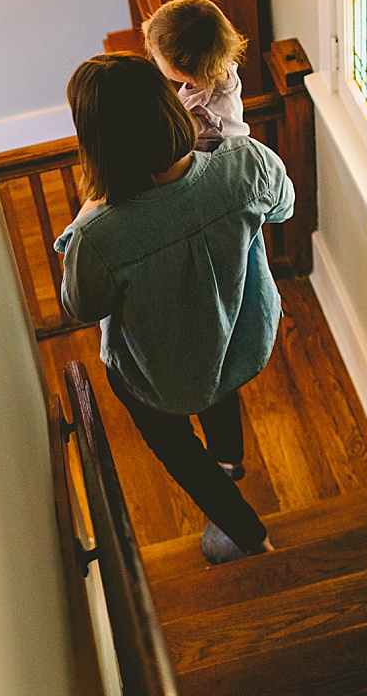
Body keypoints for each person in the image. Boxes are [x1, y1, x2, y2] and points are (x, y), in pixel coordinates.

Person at [53, 53, 294, 563]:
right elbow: (283, 206)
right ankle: (230, 461)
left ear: (95, 141)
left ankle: (251, 537)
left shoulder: (97, 237)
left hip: (156, 379)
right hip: (239, 338)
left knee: (180, 451)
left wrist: (85, 215)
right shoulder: (246, 163)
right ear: (169, 103)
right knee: (217, 374)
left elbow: (80, 304)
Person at [143, 0, 249, 152]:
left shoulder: (201, 117)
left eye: (157, 56)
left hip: (221, 166)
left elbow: (188, 155)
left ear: (180, 70)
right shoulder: (222, 67)